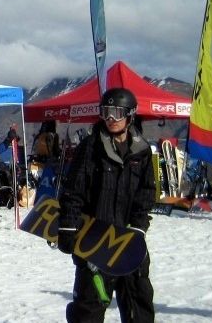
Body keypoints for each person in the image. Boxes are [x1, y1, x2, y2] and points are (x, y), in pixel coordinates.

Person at [58, 88, 155, 322]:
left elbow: (146, 193)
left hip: (127, 240)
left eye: (117, 113)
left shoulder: (141, 152)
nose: (111, 119)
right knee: (89, 306)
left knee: (138, 301)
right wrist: (69, 227)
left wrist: (139, 227)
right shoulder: (90, 148)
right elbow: (73, 191)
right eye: (106, 113)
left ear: (130, 115)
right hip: (96, 238)